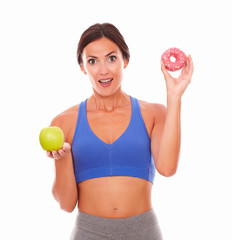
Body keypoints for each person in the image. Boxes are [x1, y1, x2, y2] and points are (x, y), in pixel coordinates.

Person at [46, 22, 194, 240]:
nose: (103, 70)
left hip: (143, 231)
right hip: (89, 232)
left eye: (111, 58)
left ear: (125, 60)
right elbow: (66, 204)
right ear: (82, 66)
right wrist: (63, 157)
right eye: (92, 61)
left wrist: (174, 98)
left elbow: (167, 168)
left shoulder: (153, 114)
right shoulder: (63, 122)